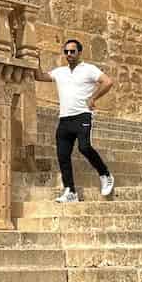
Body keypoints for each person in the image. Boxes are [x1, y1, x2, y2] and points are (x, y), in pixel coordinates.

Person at [48, 39, 114, 203]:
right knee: (62, 156)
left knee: (84, 147)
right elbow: (39, 76)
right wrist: (35, 60)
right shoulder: (60, 72)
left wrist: (94, 98)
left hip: (82, 115)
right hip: (64, 118)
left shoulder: (88, 69)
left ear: (79, 52)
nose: (69, 54)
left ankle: (105, 174)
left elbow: (108, 82)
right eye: (66, 52)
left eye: (72, 51)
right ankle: (70, 191)